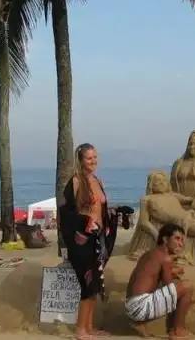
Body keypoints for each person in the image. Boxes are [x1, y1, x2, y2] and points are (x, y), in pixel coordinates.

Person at [59, 143, 119, 340]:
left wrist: (116, 212)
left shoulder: (97, 180)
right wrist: (84, 221)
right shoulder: (76, 182)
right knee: (88, 284)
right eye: (89, 158)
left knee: (96, 283)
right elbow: (65, 214)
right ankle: (81, 330)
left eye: (95, 157)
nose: (93, 161)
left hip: (98, 239)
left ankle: (90, 327)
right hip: (83, 241)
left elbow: (101, 209)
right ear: (81, 160)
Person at [125, 223, 195, 339]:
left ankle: (139, 323)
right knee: (187, 287)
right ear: (165, 239)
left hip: (130, 306)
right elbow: (168, 285)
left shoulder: (148, 254)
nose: (180, 244)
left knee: (179, 286)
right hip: (140, 307)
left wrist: (171, 271)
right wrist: (186, 300)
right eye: (177, 239)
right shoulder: (166, 258)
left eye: (182, 240)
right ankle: (179, 331)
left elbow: (151, 273)